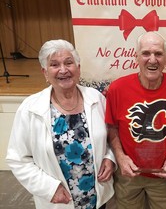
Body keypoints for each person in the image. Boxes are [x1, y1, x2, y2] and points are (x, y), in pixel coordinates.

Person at [6, 39, 115, 209]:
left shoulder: (97, 98)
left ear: (78, 68)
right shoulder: (30, 108)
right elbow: (17, 159)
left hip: (97, 198)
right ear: (45, 72)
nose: (63, 70)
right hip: (59, 201)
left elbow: (110, 138)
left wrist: (110, 158)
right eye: (54, 65)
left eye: (69, 63)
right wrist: (49, 188)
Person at [105, 31, 166, 209]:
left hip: (162, 175)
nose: (152, 59)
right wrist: (120, 157)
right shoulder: (117, 88)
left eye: (158, 54)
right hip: (128, 174)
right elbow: (112, 127)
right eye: (146, 53)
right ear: (136, 57)